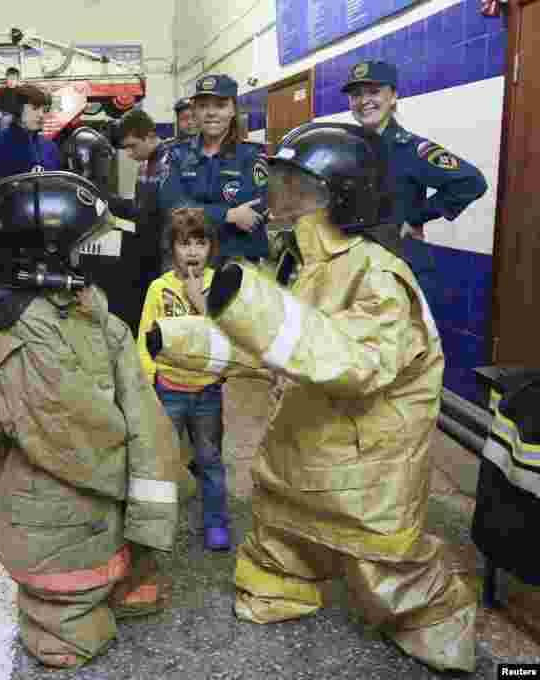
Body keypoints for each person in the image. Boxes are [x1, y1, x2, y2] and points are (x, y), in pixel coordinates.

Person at [146, 122, 477, 672]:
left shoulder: (376, 275)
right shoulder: (304, 261)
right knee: (282, 523)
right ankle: (282, 587)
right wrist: (177, 340)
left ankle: (435, 625)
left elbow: (355, 362)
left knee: (381, 551)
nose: (279, 194)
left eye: (298, 186)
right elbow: (269, 343)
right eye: (280, 179)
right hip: (303, 434)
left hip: (365, 455)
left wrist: (251, 307)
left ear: (339, 196)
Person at [0, 170, 184, 669]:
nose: (95, 254)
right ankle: (67, 621)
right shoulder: (29, 337)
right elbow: (81, 440)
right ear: (48, 256)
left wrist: (153, 471)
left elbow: (129, 397)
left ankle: (118, 576)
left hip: (87, 515)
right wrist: (144, 477)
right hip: (56, 522)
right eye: (84, 245)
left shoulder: (79, 307)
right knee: (72, 625)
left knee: (104, 537)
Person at [341, 60, 486, 281]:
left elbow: (471, 181)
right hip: (357, 264)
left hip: (399, 265)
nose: (364, 101)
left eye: (374, 92)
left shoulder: (410, 148)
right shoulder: (347, 149)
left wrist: (416, 218)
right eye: (356, 95)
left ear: (393, 97)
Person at [138, 207, 231, 551]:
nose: (192, 251)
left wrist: (199, 301)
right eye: (184, 243)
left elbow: (228, 333)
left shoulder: (219, 284)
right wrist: (148, 380)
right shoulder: (157, 288)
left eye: (200, 243)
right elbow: (145, 337)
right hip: (169, 390)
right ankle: (155, 527)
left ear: (211, 247)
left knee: (210, 461)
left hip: (207, 390)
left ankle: (216, 524)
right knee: (162, 459)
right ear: (172, 247)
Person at [159, 75, 269, 263]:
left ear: (233, 109)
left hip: (240, 263)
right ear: (194, 111)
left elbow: (254, 211)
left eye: (220, 105)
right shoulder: (176, 155)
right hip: (190, 263)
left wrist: (195, 209)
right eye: (203, 106)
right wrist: (228, 214)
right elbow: (173, 206)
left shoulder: (252, 156)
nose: (211, 113)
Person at [106, 109, 175, 333]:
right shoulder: (145, 164)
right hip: (149, 247)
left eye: (132, 146)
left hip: (168, 252)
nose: (129, 153)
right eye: (126, 147)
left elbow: (163, 213)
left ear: (150, 136)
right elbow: (140, 209)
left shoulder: (171, 162)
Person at [0, 84, 61, 181]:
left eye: (45, 110)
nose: (41, 115)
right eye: (35, 108)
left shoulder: (50, 147)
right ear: (18, 109)